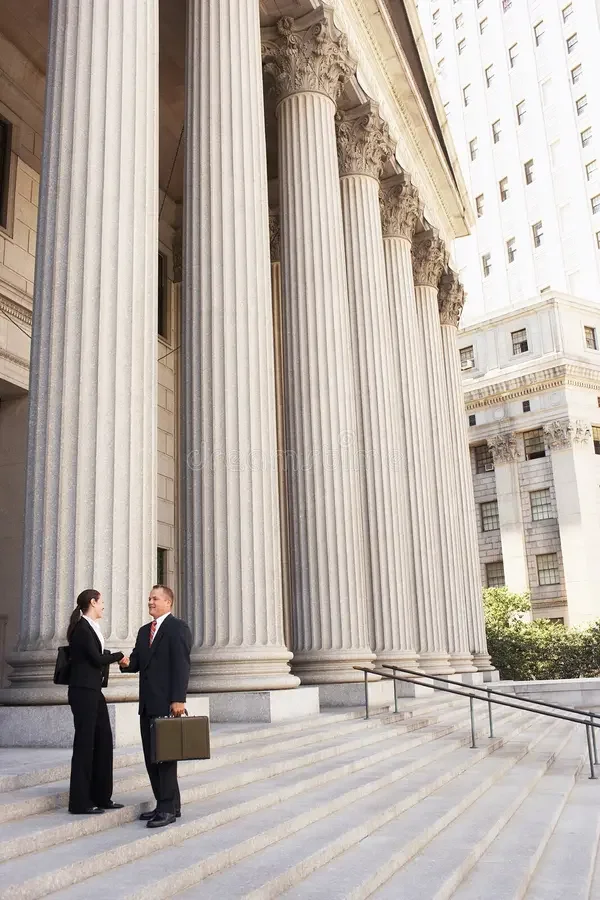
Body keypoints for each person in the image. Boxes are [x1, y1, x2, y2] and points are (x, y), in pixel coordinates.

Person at [120, 584, 192, 828]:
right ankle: (168, 804)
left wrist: (178, 699)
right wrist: (124, 662)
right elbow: (137, 662)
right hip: (147, 704)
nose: (150, 602)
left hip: (167, 704)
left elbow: (181, 665)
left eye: (155, 599)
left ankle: (167, 809)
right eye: (149, 598)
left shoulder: (177, 627)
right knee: (152, 758)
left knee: (165, 757)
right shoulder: (144, 631)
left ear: (168, 602)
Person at [66, 588, 125, 814]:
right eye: (101, 602)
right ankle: (80, 802)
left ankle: (102, 797)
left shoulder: (91, 627)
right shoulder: (82, 628)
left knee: (103, 741)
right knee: (85, 744)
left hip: (93, 690)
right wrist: (119, 656)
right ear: (92, 602)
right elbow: (96, 658)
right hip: (82, 692)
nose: (103, 606)